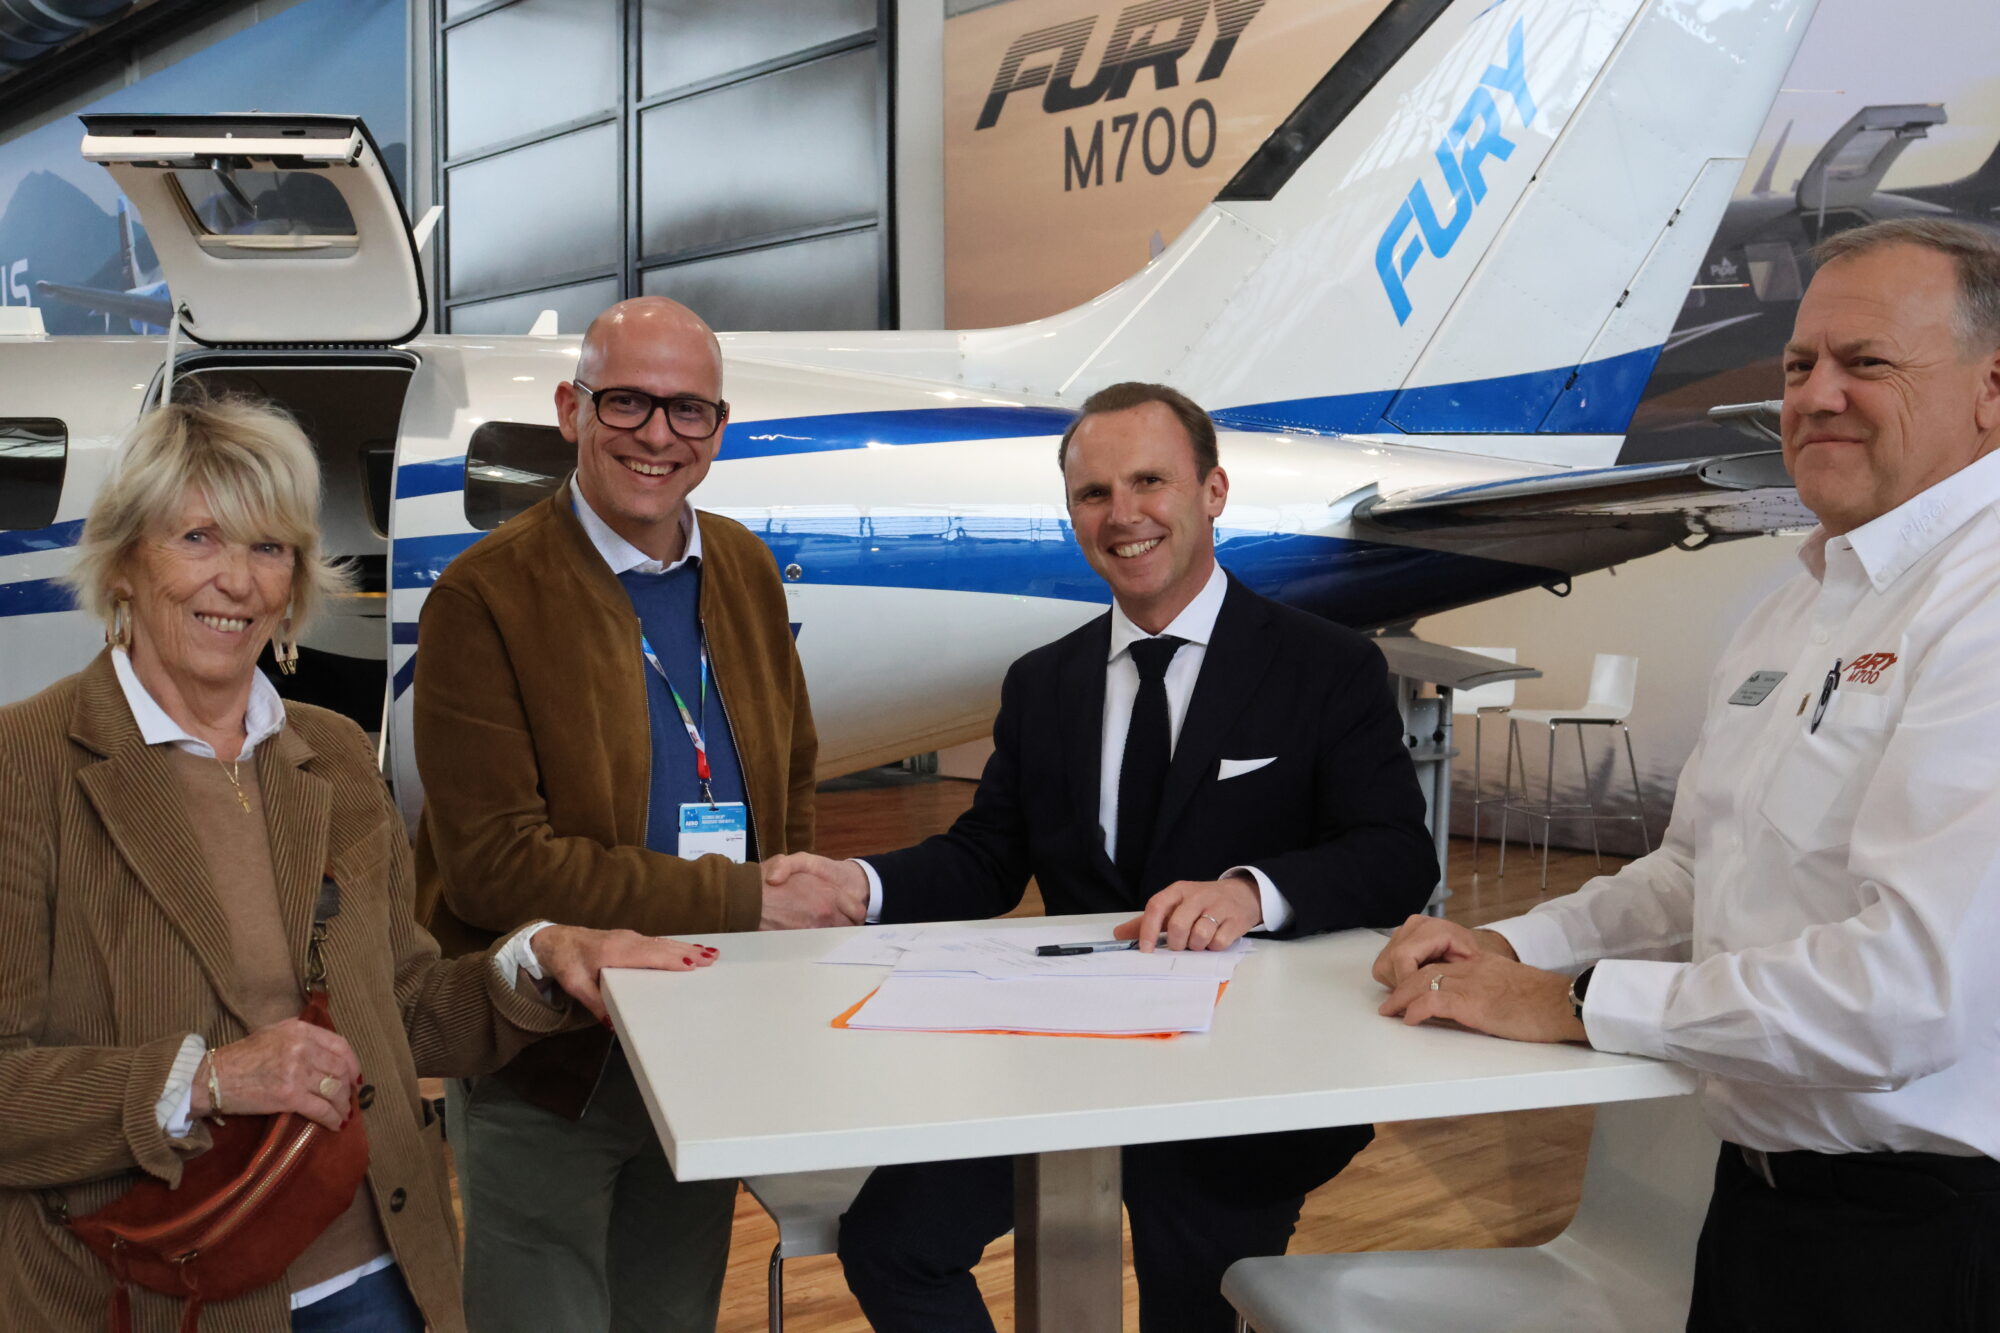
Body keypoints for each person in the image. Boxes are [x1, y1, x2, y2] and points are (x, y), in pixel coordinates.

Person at [1373, 218, 2000, 1331]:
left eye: (1865, 364)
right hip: (1759, 1206)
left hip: (1934, 1239)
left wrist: (1574, 1003)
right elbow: (1691, 872)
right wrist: (1518, 945)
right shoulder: (1795, 604)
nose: (1814, 397)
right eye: (1798, 365)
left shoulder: (1980, 607)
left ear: (1990, 391)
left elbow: (1905, 994)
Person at [0, 394, 718, 1333]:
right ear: (127, 559)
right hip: (149, 1290)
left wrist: (539, 958)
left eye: (269, 548)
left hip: (380, 1278)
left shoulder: (332, 752)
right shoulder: (29, 765)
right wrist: (205, 1080)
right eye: (200, 538)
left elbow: (405, 1008)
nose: (238, 582)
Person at [765, 381, 1440, 1333]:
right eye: (1092, 493)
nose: (1122, 515)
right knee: (893, 1246)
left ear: (1213, 491)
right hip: (1056, 1062)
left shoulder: (1327, 666)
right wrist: (857, 883)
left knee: (1191, 1315)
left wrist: (1254, 891)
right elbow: (988, 858)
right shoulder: (1045, 683)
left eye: (1150, 481)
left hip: (1233, 1089)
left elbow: (1395, 855)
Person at [411, 296, 851, 1333]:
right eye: (627, 402)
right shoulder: (482, 597)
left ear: (718, 428)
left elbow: (786, 767)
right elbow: (491, 867)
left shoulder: (741, 565)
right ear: (571, 409)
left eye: (686, 410)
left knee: (672, 1314)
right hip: (551, 1059)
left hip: (705, 1039)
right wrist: (745, 898)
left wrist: (772, 943)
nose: (657, 434)